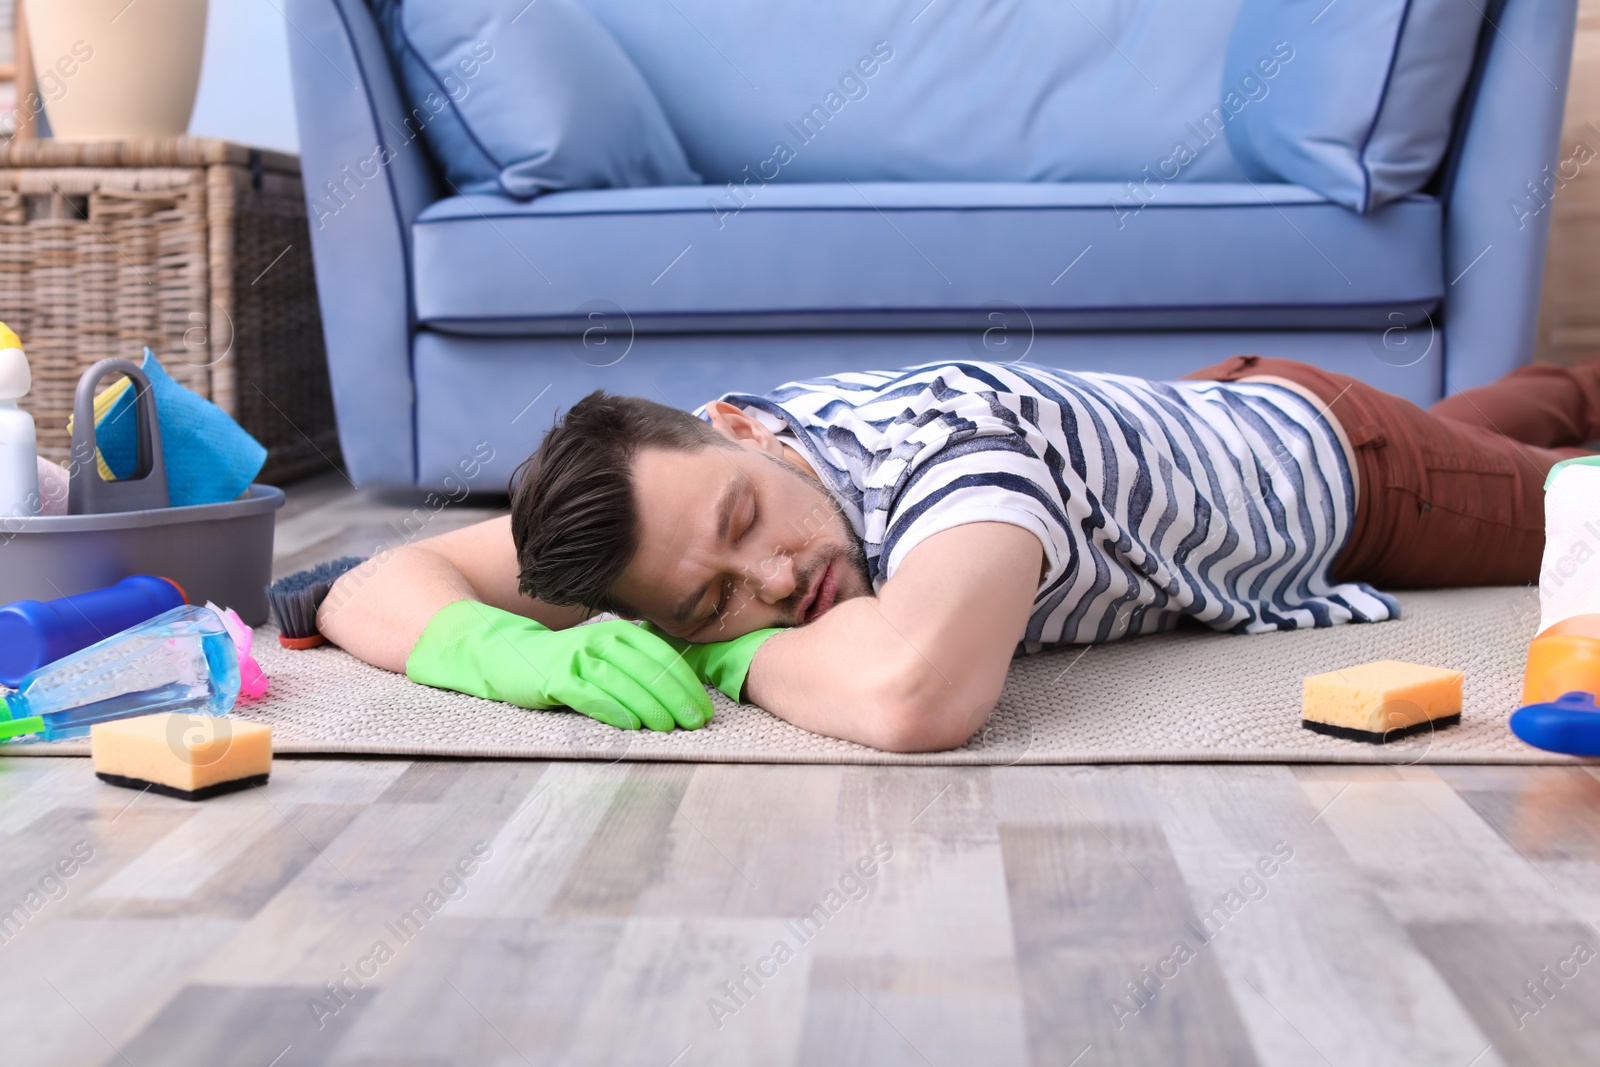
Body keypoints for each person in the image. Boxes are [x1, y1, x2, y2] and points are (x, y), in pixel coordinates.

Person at [319, 356, 1600, 752]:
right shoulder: (669, 497)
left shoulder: (958, 452)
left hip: (1348, 476)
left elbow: (914, 694)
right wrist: (500, 650)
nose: (771, 583)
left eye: (745, 528)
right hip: (1218, 411)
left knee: (1567, 494)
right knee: (1539, 401)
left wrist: (716, 652)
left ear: (741, 425)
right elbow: (364, 585)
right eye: (706, 600)